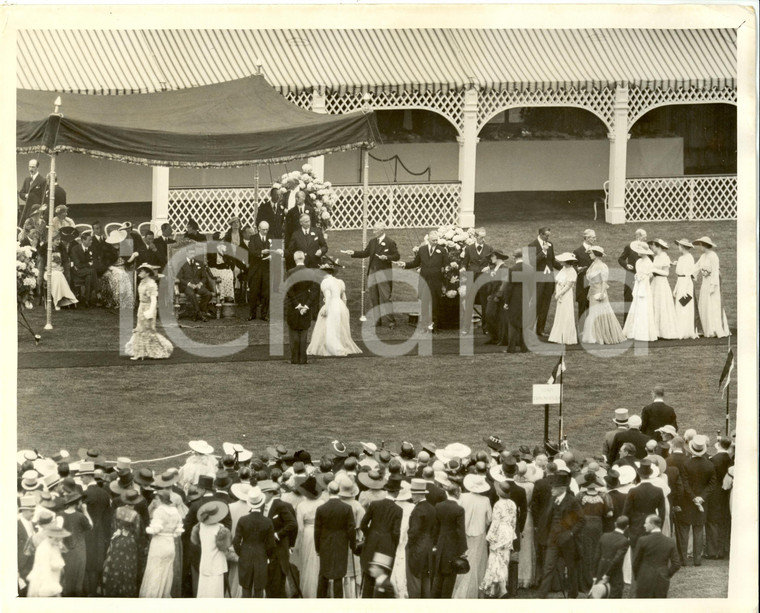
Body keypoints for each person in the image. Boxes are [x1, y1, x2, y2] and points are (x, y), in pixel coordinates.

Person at [536, 471, 585, 599]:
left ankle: (572, 595)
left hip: (567, 541)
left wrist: (571, 533)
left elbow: (581, 520)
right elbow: (547, 518)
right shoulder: (552, 499)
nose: (551, 489)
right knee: (548, 567)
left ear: (562, 489)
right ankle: (541, 596)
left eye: (554, 487)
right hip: (553, 539)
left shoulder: (572, 501)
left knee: (571, 567)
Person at [345, 221, 400, 328]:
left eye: (376, 229)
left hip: (383, 273)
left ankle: (391, 321)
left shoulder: (390, 242)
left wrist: (387, 257)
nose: (373, 231)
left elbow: (397, 256)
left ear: (382, 230)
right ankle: (377, 320)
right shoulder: (372, 242)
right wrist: (353, 253)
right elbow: (365, 253)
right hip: (372, 272)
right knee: (374, 297)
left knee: (385, 297)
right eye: (373, 229)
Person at [307, 257, 362, 357]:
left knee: (327, 326)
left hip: (331, 305)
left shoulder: (325, 282)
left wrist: (326, 309)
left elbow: (328, 297)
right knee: (338, 327)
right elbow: (344, 298)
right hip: (340, 305)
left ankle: (331, 347)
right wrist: (344, 309)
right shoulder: (340, 281)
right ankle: (338, 344)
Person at [676, 434, 716, 567]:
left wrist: (694, 498)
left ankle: (683, 560)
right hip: (701, 503)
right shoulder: (710, 465)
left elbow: (685, 484)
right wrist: (701, 498)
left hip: (688, 502)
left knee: (684, 531)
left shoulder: (686, 464)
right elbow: (712, 484)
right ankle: (697, 560)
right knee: (698, 531)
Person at [397, 230, 449, 332]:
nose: (435, 241)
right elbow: (415, 263)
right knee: (425, 304)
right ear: (428, 239)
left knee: (435, 304)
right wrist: (404, 265)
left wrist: (447, 268)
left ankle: (434, 326)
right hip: (424, 280)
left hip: (436, 281)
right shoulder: (422, 250)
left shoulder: (442, 250)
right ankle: (425, 325)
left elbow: (446, 263)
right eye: (433, 240)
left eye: (436, 240)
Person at [360, 477, 403, 598]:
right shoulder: (398, 510)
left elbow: (363, 524)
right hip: (387, 546)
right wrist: (393, 544)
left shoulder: (374, 504)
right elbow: (396, 532)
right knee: (382, 577)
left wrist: (370, 535)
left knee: (369, 575)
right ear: (397, 492)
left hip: (371, 543)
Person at [314, 480, 357, 598]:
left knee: (323, 573)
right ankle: (338, 601)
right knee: (339, 574)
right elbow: (351, 529)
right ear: (339, 491)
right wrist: (353, 545)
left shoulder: (321, 508)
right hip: (341, 543)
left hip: (325, 543)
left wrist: (317, 548)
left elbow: (317, 530)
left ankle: (320, 600)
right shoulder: (347, 508)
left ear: (328, 491)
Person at [452, 474, 492, 598]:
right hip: (479, 533)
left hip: (464, 533)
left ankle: (464, 589)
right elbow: (489, 519)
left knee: (465, 558)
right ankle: (474, 590)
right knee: (478, 561)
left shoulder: (462, 497)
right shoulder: (485, 500)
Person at [233, 487, 276, 598]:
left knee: (245, 588)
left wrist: (241, 553)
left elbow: (236, 542)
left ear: (250, 504)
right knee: (259, 589)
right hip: (261, 555)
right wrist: (267, 556)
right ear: (261, 503)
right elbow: (271, 544)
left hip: (245, 554)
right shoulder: (267, 521)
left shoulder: (243, 520)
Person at [139, 489, 183, 597]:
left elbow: (156, 529)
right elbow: (178, 531)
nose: (154, 501)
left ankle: (152, 596)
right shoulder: (175, 511)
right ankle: (163, 594)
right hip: (170, 544)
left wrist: (145, 529)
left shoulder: (159, 511)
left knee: (155, 570)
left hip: (159, 543)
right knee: (166, 571)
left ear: (160, 499)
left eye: (156, 498)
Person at [124, 264, 173, 360]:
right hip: (142, 307)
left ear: (147, 273)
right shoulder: (142, 282)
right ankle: (140, 352)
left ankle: (148, 352)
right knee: (140, 329)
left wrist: (150, 311)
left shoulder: (151, 284)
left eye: (142, 271)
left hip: (148, 307)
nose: (139, 273)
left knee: (147, 330)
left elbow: (154, 300)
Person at [102, 490, 144, 597]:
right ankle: (126, 592)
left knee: (115, 565)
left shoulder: (117, 510)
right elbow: (138, 533)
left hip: (117, 540)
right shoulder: (136, 515)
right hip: (130, 543)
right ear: (135, 502)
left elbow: (113, 527)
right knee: (128, 567)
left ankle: (113, 591)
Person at [581, 246, 626, 345]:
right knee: (593, 313)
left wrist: (602, 293)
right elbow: (591, 281)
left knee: (600, 313)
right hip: (593, 291)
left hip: (599, 292)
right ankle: (594, 335)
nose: (590, 255)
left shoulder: (602, 266)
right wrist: (589, 293)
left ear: (596, 254)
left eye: (591, 253)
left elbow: (604, 281)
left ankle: (602, 336)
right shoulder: (593, 264)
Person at [480, 480, 517, 598]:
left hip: (499, 532)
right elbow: (513, 521)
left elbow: (495, 522)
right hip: (509, 532)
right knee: (503, 560)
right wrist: (511, 533)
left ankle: (501, 589)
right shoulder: (512, 503)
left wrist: (490, 536)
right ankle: (497, 589)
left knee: (496, 559)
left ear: (498, 492)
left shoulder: (497, 504)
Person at [261, 480, 298, 598]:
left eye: (264, 493)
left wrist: (277, 535)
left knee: (277, 585)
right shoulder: (260, 506)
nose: (261, 496)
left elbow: (293, 524)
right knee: (268, 584)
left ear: (271, 493)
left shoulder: (280, 505)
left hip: (279, 550)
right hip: (266, 552)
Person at [431, 484, 467, 598]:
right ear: (457, 493)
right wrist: (463, 550)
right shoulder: (459, 509)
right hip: (452, 545)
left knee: (439, 574)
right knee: (450, 575)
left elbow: (435, 527)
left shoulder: (438, 506)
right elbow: (460, 531)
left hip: (441, 542)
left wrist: (434, 544)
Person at [632, 514, 680, 598]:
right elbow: (676, 564)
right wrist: (667, 574)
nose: (644, 525)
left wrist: (638, 576)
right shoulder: (670, 541)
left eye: (646, 523)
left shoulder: (642, 540)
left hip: (644, 578)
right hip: (662, 579)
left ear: (652, 525)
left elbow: (635, 563)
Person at [692, 236, 730, 337]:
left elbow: (715, 272)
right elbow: (696, 267)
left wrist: (713, 286)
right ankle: (707, 330)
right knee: (704, 304)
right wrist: (689, 274)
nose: (699, 246)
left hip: (713, 283)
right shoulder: (703, 256)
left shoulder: (713, 256)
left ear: (704, 245)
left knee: (713, 305)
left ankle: (714, 329)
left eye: (700, 244)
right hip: (705, 283)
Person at [193, 500, 231, 598]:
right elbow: (224, 546)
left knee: (204, 588)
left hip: (205, 561)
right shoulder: (220, 528)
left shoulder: (200, 526)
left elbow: (196, 541)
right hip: (217, 563)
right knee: (215, 589)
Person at [527, 227, 561, 336]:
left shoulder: (550, 244)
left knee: (545, 305)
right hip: (538, 280)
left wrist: (565, 267)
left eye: (549, 235)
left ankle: (540, 329)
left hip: (549, 280)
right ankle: (530, 328)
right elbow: (532, 263)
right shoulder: (532, 245)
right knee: (536, 304)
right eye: (546, 235)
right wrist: (543, 251)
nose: (548, 237)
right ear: (541, 234)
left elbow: (552, 261)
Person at [405, 478, 436, 598]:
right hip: (428, 547)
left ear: (419, 494)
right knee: (426, 578)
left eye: (413, 494)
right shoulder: (432, 508)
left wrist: (409, 545)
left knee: (414, 579)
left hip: (417, 548)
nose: (412, 496)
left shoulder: (417, 510)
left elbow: (413, 532)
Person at [622, 241, 657, 341]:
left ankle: (643, 332)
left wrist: (643, 277)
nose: (637, 252)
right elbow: (637, 273)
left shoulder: (649, 262)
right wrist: (637, 276)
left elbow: (650, 275)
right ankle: (633, 330)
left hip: (644, 287)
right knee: (636, 306)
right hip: (638, 286)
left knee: (644, 307)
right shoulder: (638, 262)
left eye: (639, 250)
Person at [284, 251, 315, 365]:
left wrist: (297, 305)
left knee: (293, 331)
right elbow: (314, 291)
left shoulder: (290, 272)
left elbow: (289, 290)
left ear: (294, 259)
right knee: (304, 331)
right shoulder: (311, 272)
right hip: (306, 302)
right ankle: (303, 359)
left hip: (294, 305)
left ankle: (295, 359)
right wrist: (306, 305)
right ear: (304, 258)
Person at [60, 492, 93, 596]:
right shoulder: (80, 516)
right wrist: (85, 511)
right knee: (78, 577)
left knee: (67, 576)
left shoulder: (60, 514)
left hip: (65, 549)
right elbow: (90, 526)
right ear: (77, 502)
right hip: (79, 550)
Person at [248, 221, 281, 321]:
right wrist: (262, 252)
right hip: (256, 269)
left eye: (267, 229)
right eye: (263, 229)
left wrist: (273, 255)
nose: (265, 231)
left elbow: (276, 250)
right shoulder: (253, 238)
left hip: (267, 268)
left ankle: (264, 314)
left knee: (266, 292)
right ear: (259, 228)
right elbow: (251, 251)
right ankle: (252, 314)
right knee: (254, 292)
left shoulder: (271, 237)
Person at [705, 437, 732, 560]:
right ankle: (721, 550)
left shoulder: (713, 460)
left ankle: (712, 551)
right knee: (723, 521)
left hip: (715, 494)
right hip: (726, 493)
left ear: (719, 445)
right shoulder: (730, 459)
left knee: (712, 521)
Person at [26, 523, 70, 598]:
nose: (60, 540)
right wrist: (54, 591)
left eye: (61, 538)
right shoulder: (44, 549)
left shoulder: (54, 546)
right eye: (58, 538)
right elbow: (45, 573)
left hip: (54, 582)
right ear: (51, 537)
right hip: (43, 586)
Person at [176, 242, 216, 322]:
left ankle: (196, 312)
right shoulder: (181, 263)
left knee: (208, 294)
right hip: (187, 286)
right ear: (186, 253)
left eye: (193, 253)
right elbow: (179, 278)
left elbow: (204, 277)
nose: (192, 255)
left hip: (198, 285)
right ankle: (200, 315)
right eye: (190, 253)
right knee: (191, 294)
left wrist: (200, 283)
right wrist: (189, 284)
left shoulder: (200, 263)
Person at [462, 227, 493, 326]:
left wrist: (489, 268)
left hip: (484, 279)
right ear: (475, 237)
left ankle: (485, 326)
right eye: (481, 237)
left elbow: (493, 263)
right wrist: (462, 268)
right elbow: (464, 263)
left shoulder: (489, 249)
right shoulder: (468, 249)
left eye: (484, 237)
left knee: (485, 302)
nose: (483, 240)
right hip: (472, 277)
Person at [593, 515, 630, 599]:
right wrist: (607, 575)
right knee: (614, 597)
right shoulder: (624, 541)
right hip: (614, 574)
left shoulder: (604, 536)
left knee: (600, 596)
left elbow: (597, 556)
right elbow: (617, 559)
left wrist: (595, 575)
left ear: (615, 524)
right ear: (627, 527)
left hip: (601, 569)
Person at [649, 239, 679, 339]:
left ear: (657, 246)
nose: (651, 248)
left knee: (661, 304)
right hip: (655, 282)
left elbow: (666, 273)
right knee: (654, 304)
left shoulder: (664, 257)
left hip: (662, 283)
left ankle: (663, 331)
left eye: (652, 246)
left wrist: (653, 270)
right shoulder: (656, 257)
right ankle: (655, 331)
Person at [99, 229, 135, 310]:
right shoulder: (107, 249)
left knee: (125, 276)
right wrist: (112, 268)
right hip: (110, 269)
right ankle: (117, 301)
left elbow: (127, 261)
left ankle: (126, 302)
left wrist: (132, 257)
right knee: (118, 278)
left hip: (122, 268)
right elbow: (105, 263)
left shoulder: (124, 247)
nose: (117, 243)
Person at [548, 253, 578, 345]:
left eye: (562, 261)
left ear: (567, 262)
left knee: (566, 313)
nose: (560, 262)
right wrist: (558, 293)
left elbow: (569, 286)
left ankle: (566, 337)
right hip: (560, 292)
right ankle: (558, 335)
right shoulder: (563, 269)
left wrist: (560, 294)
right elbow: (558, 282)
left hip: (566, 295)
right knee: (560, 313)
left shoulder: (572, 271)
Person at [503, 248, 529, 353]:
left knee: (513, 323)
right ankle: (524, 347)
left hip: (515, 299)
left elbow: (509, 287)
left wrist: (506, 302)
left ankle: (511, 348)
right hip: (526, 298)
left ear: (514, 257)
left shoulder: (512, 269)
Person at [617, 228, 647, 318]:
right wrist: (626, 265)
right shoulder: (629, 246)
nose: (645, 239)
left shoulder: (646, 247)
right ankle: (626, 324)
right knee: (629, 299)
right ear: (638, 236)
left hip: (642, 277)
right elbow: (620, 259)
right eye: (644, 237)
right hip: (630, 276)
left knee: (640, 299)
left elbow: (651, 261)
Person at [672, 239, 698, 339]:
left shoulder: (689, 258)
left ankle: (685, 331)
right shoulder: (681, 258)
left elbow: (688, 274)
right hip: (681, 282)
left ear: (683, 247)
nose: (678, 247)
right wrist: (676, 288)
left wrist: (686, 290)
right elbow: (679, 275)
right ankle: (679, 330)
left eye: (679, 246)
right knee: (679, 306)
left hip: (686, 284)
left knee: (685, 305)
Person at [483, 249, 510, 345]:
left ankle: (499, 338)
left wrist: (498, 295)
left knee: (496, 316)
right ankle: (494, 337)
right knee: (490, 315)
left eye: (492, 256)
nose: (491, 258)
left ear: (497, 256)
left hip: (499, 296)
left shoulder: (504, 268)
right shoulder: (495, 268)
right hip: (493, 295)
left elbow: (504, 282)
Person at [69, 231, 99, 307]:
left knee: (89, 277)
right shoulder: (75, 249)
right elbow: (78, 265)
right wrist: (88, 264)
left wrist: (89, 264)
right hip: (77, 271)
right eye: (89, 240)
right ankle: (98, 292)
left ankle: (86, 300)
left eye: (91, 240)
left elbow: (95, 261)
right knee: (92, 271)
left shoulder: (92, 248)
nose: (91, 241)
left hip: (88, 272)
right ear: (83, 240)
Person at [573, 229, 596, 319]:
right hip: (582, 285)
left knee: (592, 309)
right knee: (582, 309)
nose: (595, 239)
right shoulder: (577, 251)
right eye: (593, 237)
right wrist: (577, 269)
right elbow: (572, 266)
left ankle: (590, 330)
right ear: (587, 238)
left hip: (593, 285)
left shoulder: (595, 250)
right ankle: (581, 331)